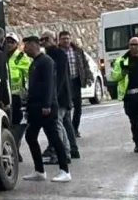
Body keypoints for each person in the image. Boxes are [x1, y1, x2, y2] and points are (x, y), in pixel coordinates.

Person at [22, 36, 71, 182]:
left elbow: (50, 85)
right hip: (35, 107)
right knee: (30, 136)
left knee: (54, 137)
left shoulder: (46, 62)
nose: (24, 50)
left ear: (33, 45)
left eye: (26, 46)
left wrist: (47, 105)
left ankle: (65, 170)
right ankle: (39, 170)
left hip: (46, 108)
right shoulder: (35, 63)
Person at [40, 31, 80, 162]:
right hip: (61, 95)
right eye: (42, 39)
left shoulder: (58, 54)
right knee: (66, 123)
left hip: (60, 96)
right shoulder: (51, 54)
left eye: (47, 38)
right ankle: (71, 150)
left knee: (58, 123)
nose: (44, 41)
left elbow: (60, 77)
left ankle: (64, 154)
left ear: (54, 39)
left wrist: (53, 96)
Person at [58, 31, 93, 137]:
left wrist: (88, 77)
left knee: (78, 107)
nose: (66, 40)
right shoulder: (58, 52)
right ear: (59, 40)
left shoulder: (77, 51)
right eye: (63, 38)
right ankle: (68, 130)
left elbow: (85, 64)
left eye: (67, 38)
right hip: (64, 83)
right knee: (67, 106)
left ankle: (75, 129)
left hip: (76, 81)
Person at [4, 32, 30, 154]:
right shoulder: (1, 55)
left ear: (16, 44)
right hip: (5, 96)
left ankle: (16, 149)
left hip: (17, 96)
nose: (9, 44)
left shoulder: (20, 56)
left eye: (12, 42)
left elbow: (29, 74)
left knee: (17, 124)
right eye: (7, 41)